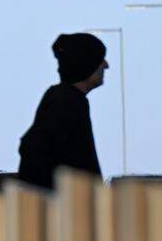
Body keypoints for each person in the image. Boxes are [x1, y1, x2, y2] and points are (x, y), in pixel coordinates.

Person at [18, 33, 108, 190]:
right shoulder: (66, 103)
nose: (106, 65)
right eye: (100, 59)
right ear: (86, 64)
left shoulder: (64, 99)